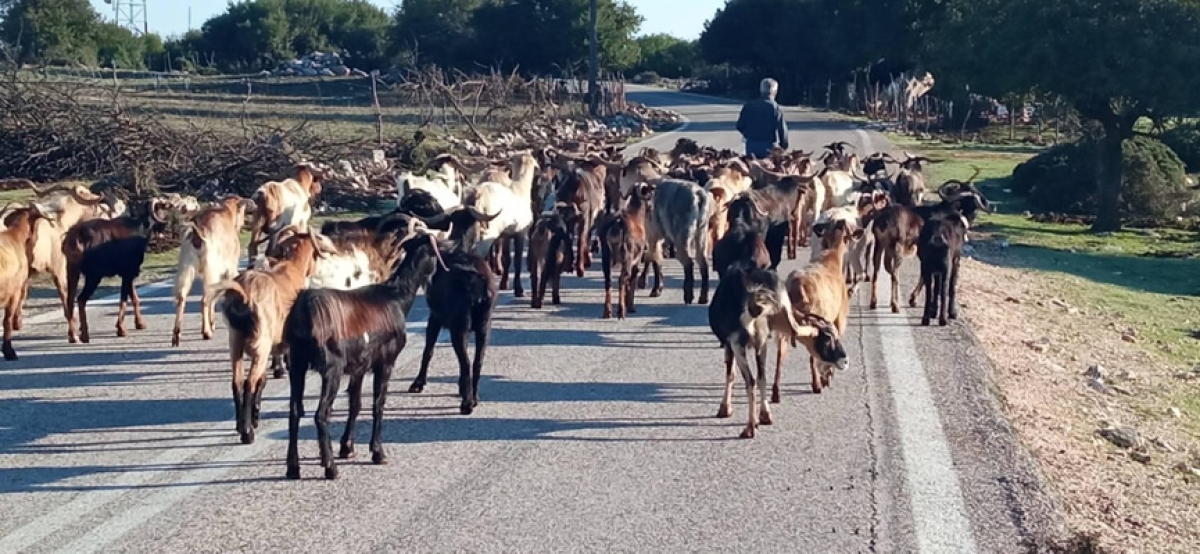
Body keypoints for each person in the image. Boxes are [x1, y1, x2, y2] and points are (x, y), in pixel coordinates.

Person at [736, 78, 789, 158]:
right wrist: (783, 146)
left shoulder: (748, 106)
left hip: (751, 146)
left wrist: (749, 134)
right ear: (775, 92)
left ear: (761, 90)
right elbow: (782, 130)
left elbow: (739, 125)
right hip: (769, 147)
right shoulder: (775, 108)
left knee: (751, 167)